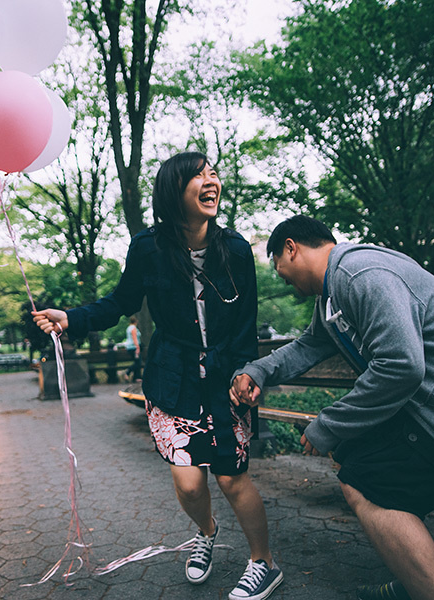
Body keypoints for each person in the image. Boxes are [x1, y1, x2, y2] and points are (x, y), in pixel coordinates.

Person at [230, 215, 434, 600]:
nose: (280, 275)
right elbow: (306, 347)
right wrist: (258, 370)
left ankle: (428, 593)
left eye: (277, 263)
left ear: (291, 247)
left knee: (364, 482)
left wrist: (329, 425)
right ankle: (415, 578)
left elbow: (402, 367)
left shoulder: (361, 274)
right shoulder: (334, 295)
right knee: (357, 456)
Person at [34, 152, 283, 600]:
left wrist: (250, 371)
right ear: (175, 189)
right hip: (174, 379)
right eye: (200, 174)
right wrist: (71, 317)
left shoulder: (237, 248)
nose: (212, 180)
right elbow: (119, 302)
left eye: (214, 173)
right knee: (189, 483)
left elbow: (247, 318)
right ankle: (206, 534)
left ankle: (263, 562)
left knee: (230, 477)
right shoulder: (148, 247)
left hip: (227, 379)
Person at [123, 315, 143, 382]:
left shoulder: (128, 328)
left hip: (129, 347)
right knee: (138, 363)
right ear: (136, 321)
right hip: (134, 347)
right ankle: (127, 372)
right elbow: (134, 338)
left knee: (137, 362)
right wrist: (137, 347)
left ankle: (136, 378)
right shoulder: (133, 328)